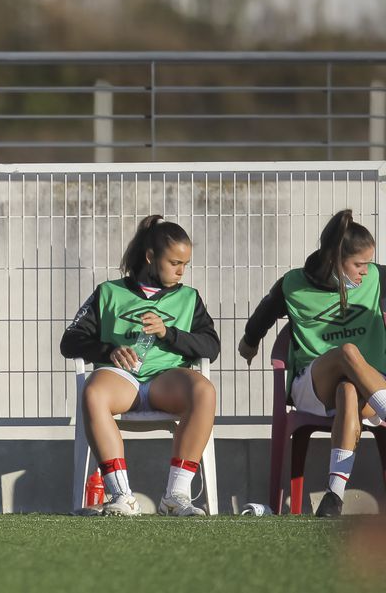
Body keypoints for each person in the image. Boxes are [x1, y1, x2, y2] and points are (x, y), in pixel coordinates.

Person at [61, 215, 219, 516]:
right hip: (122, 380)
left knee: (204, 391)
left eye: (185, 264)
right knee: (93, 392)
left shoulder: (189, 298)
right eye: (174, 263)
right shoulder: (108, 292)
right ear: (150, 257)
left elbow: (211, 346)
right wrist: (108, 350)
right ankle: (122, 496)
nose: (181, 271)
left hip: (166, 381)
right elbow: (69, 341)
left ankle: (176, 496)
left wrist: (167, 333)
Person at [240, 209, 386, 517]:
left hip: (369, 392)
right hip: (314, 385)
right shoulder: (293, 284)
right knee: (347, 352)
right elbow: (261, 317)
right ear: (334, 258)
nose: (366, 271)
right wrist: (249, 343)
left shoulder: (375, 277)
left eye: (369, 263)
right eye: (359, 264)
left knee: (348, 389)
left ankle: (333, 497)